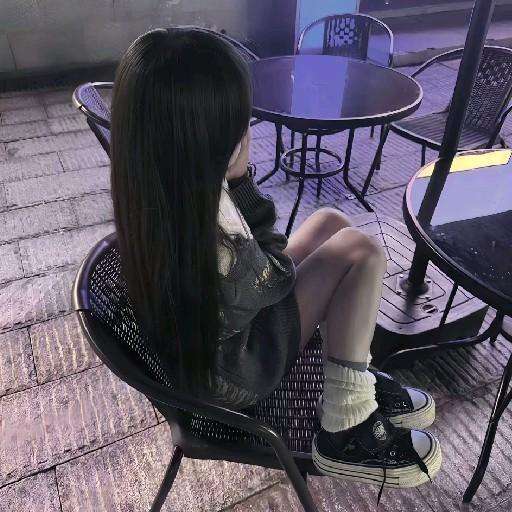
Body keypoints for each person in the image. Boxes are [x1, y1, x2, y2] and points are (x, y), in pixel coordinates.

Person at [110, 26, 442, 495]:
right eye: (238, 124)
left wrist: (232, 181)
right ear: (205, 138)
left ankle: (351, 370)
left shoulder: (165, 188)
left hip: (222, 335)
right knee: (361, 252)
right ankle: (345, 426)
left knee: (329, 221)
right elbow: (277, 274)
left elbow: (265, 269)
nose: (246, 133)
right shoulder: (212, 234)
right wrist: (241, 180)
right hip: (241, 372)